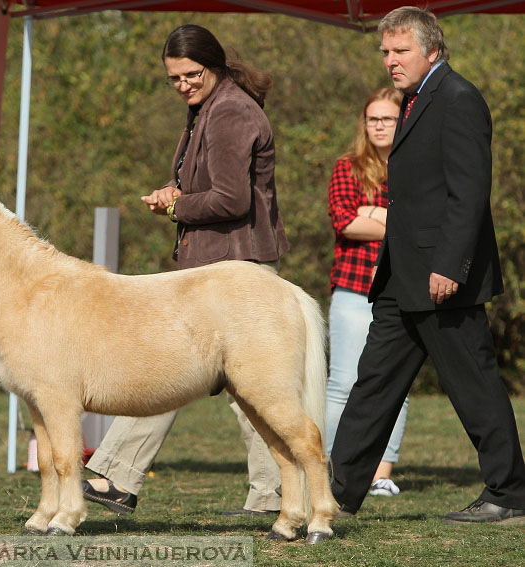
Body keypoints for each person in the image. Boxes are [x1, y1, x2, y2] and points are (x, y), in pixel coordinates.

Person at [82, 24, 289, 517]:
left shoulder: (231, 111)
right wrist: (175, 196)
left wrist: (177, 206)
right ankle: (272, 496)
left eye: (191, 74)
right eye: (174, 78)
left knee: (180, 369)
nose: (183, 85)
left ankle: (117, 477)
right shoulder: (210, 107)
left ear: (213, 65)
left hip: (237, 268)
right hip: (223, 266)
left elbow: (231, 199)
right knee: (244, 389)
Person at [330, 6, 525, 523]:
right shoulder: (413, 98)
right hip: (401, 277)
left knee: (474, 384)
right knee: (373, 382)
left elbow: (469, 195)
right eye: (385, 52)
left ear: (432, 50)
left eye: (400, 51)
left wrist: (451, 267)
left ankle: (509, 494)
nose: (390, 61)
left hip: (443, 278)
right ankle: (336, 493)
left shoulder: (458, 98)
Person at [326, 87, 408, 498]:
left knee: (396, 381)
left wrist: (371, 212)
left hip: (401, 286)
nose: (378, 125)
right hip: (354, 287)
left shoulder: (415, 165)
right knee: (342, 382)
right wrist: (399, 220)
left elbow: (427, 220)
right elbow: (344, 221)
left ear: (403, 121)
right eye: (372, 119)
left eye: (387, 119)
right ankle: (333, 467)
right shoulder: (348, 167)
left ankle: (380, 473)